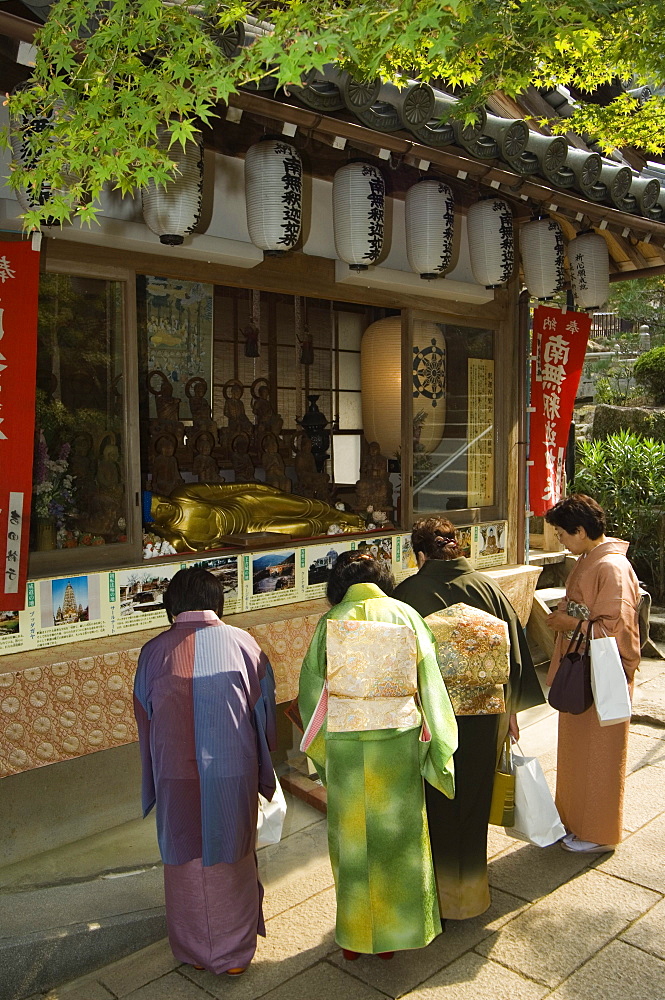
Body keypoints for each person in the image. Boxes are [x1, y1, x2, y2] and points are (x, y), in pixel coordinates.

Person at [298, 551, 458, 959]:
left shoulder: (329, 623)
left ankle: (356, 936)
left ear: (338, 585)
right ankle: (397, 931)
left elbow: (312, 693)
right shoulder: (405, 615)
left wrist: (322, 750)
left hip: (348, 747)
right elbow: (430, 684)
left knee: (353, 842)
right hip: (397, 741)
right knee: (398, 837)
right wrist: (438, 740)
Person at [393, 516, 544, 920]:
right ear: (457, 548)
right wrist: (511, 710)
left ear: (420, 554)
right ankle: (471, 895)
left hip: (430, 718)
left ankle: (437, 898)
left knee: (435, 803)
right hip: (486, 716)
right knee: (475, 801)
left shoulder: (405, 595)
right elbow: (514, 656)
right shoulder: (488, 588)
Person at [133, 568, 277, 975]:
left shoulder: (154, 651)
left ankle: (193, 950)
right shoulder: (244, 644)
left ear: (171, 606)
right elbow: (264, 710)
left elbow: (145, 718)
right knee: (231, 852)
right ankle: (233, 955)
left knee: (183, 856)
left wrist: (155, 768)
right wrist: (261, 764)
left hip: (175, 771)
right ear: (218, 602)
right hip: (233, 769)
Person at [545, 494, 640, 854]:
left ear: (581, 531)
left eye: (562, 534)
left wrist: (571, 621)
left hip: (600, 672)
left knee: (599, 755)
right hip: (582, 667)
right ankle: (575, 822)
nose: (560, 541)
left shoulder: (611, 567)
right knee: (576, 753)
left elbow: (618, 630)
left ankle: (598, 832)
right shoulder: (591, 559)